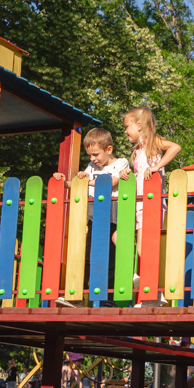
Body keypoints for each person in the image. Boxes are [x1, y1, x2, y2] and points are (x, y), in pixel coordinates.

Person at [53, 128, 131, 306]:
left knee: (110, 256)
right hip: (93, 214)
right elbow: (80, 184)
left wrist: (87, 181)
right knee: (87, 255)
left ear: (109, 149)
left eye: (96, 154)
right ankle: (77, 296)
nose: (93, 159)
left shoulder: (121, 163)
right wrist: (64, 182)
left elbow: (112, 182)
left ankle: (109, 300)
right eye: (89, 155)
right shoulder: (92, 166)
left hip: (112, 213)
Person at [124, 107, 181, 305]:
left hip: (151, 204)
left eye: (127, 126)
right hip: (139, 203)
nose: (125, 131)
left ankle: (153, 292)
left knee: (144, 248)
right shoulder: (138, 150)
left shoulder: (152, 141)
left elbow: (175, 147)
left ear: (139, 125)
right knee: (121, 238)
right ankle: (138, 278)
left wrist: (157, 167)